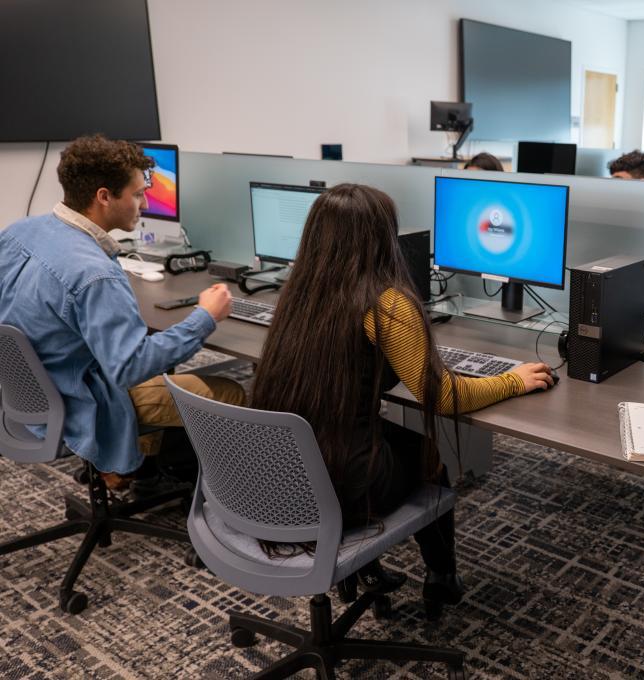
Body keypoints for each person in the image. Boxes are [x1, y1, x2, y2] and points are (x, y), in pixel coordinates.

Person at [249, 183, 554, 616]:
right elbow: (444, 396)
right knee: (428, 452)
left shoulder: (299, 293)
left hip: (281, 475)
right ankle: (442, 578)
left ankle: (370, 570)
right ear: (382, 237)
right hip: (337, 485)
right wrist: (513, 380)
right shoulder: (386, 304)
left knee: (399, 439)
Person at [0, 135, 245, 491]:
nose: (145, 203)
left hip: (31, 388)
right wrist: (204, 317)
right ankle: (214, 495)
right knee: (230, 391)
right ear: (104, 197)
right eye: (137, 194)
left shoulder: (18, 232)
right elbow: (130, 367)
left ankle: (130, 466)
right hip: (82, 399)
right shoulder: (94, 274)